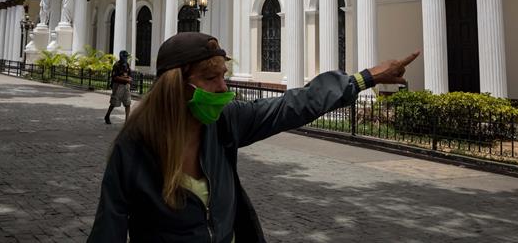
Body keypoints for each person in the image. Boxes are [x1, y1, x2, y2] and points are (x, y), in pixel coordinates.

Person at [88, 32, 419, 242]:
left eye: (224, 76)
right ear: (175, 85)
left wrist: (365, 78)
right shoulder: (134, 147)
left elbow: (294, 105)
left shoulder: (224, 123)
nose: (223, 88)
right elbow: (109, 229)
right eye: (210, 78)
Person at [104, 50, 133, 124]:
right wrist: (126, 79)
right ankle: (107, 115)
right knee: (114, 102)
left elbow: (129, 74)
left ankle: (127, 121)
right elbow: (115, 77)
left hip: (126, 86)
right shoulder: (117, 65)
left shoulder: (127, 65)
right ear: (121, 56)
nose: (126, 58)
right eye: (125, 56)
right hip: (118, 86)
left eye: (127, 57)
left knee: (128, 103)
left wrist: (129, 79)